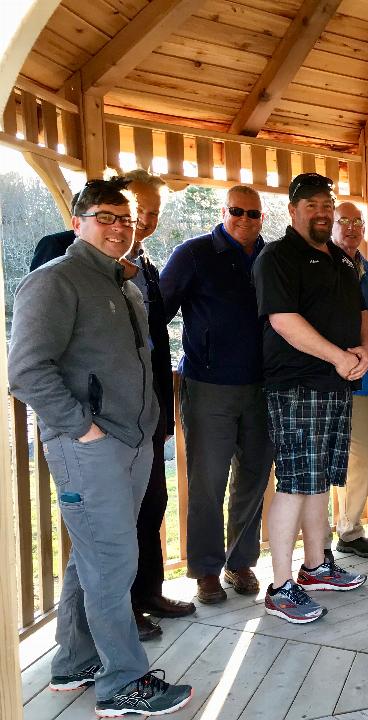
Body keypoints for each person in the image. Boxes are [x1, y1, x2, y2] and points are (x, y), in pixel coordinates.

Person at [9, 177, 193, 717]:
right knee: (114, 561)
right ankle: (122, 683)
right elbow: (25, 371)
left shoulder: (125, 283)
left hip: (131, 443)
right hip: (89, 447)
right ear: (78, 222)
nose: (117, 228)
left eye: (125, 219)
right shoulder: (55, 282)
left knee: (91, 557)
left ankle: (73, 662)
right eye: (105, 217)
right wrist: (81, 428)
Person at [253, 172, 368, 624]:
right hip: (296, 386)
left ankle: (316, 567)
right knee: (295, 483)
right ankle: (281, 587)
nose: (321, 212)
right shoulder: (276, 257)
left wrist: (363, 351)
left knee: (318, 478)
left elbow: (361, 312)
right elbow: (282, 320)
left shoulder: (341, 258)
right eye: (311, 205)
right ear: (293, 209)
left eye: (327, 204)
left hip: (336, 385)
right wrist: (339, 357)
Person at [160, 185, 274, 605]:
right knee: (207, 481)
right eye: (238, 211)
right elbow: (159, 313)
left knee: (254, 477)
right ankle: (206, 569)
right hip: (208, 386)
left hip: (263, 387)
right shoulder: (193, 254)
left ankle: (239, 561)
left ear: (263, 217)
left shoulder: (272, 257)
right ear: (223, 211)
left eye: (254, 213)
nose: (246, 219)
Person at [120, 169, 196, 638]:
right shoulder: (65, 254)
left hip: (148, 410)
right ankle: (119, 610)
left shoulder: (147, 265)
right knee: (117, 515)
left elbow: (156, 339)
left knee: (152, 502)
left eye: (153, 213)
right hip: (104, 419)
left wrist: (165, 412)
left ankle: (147, 592)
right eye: (138, 211)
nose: (145, 221)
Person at [327, 201, 368, 558]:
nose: (351, 227)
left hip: (365, 382)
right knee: (337, 458)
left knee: (361, 458)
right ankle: (339, 532)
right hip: (327, 379)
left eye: (357, 222)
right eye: (343, 221)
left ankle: (347, 530)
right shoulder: (320, 266)